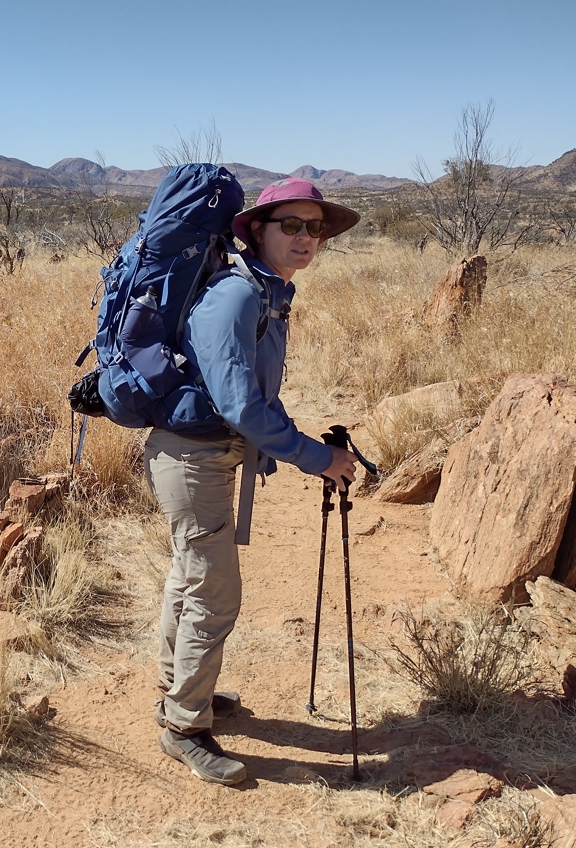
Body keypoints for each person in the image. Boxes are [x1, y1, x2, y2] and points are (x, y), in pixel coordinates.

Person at [147, 178, 360, 786]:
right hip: (194, 460)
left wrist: (297, 444)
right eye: (290, 225)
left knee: (190, 578)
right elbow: (242, 405)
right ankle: (185, 727)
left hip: (205, 456)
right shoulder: (239, 295)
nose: (304, 238)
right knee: (214, 593)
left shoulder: (268, 291)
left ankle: (182, 693)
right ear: (257, 229)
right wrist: (316, 458)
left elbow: (255, 398)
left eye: (313, 227)